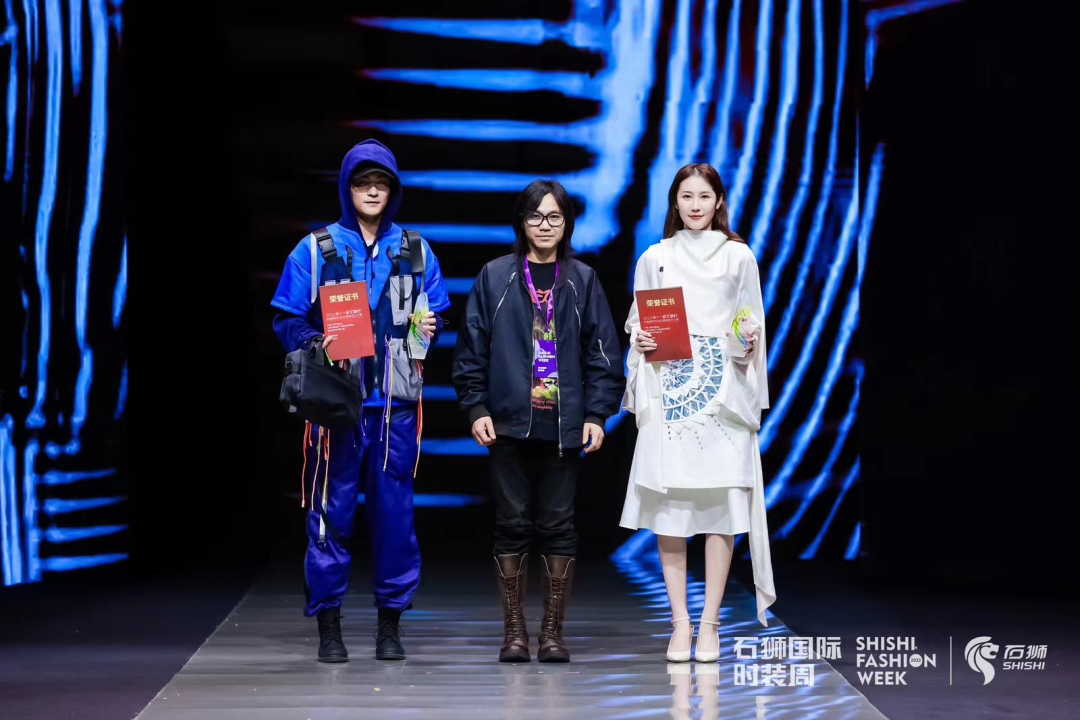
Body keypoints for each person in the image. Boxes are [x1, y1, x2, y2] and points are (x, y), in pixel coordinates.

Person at [270, 139, 451, 663]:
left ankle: (390, 625)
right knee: (330, 516)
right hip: (335, 408)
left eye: (381, 184)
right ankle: (329, 625)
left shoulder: (416, 249)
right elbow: (286, 318)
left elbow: (432, 316)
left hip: (395, 409)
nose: (372, 191)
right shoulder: (315, 248)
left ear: (393, 191)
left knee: (395, 520)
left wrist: (430, 327)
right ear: (347, 188)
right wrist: (316, 343)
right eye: (362, 182)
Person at [453, 179, 624, 663]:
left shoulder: (582, 279)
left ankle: (551, 633)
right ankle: (514, 633)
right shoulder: (495, 276)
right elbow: (472, 348)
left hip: (562, 425)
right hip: (507, 422)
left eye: (554, 217)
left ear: (566, 223)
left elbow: (603, 353)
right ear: (521, 222)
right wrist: (476, 407)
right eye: (535, 216)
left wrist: (596, 413)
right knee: (510, 526)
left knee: (558, 526)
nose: (544, 225)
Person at [620, 163, 776, 663]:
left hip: (722, 396)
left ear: (718, 201)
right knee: (671, 509)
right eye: (686, 196)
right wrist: (641, 340)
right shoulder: (656, 257)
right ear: (674, 201)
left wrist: (746, 342)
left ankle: (710, 625)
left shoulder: (738, 256)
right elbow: (638, 324)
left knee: (720, 510)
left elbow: (750, 322)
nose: (694, 205)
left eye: (704, 196)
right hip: (671, 391)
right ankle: (680, 624)